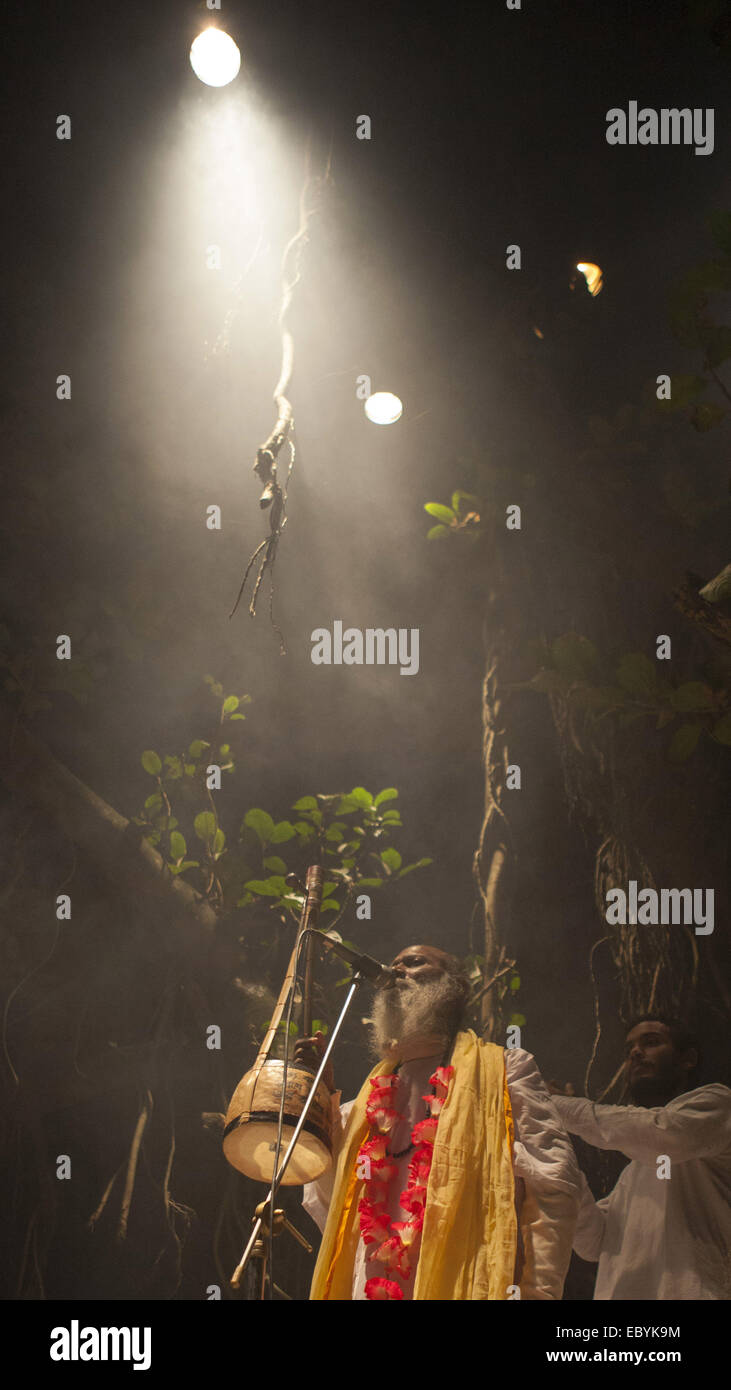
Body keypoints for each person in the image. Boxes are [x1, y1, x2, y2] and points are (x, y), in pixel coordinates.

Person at [295, 944, 580, 1301]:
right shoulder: (366, 1101)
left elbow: (553, 1185)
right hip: (370, 1285)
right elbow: (330, 1199)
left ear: (453, 988)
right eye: (394, 963)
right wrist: (323, 1095)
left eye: (414, 963)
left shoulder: (507, 1071)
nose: (396, 971)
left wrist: (539, 1293)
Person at [549, 1015, 731, 1300]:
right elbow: (592, 1243)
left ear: (688, 1059)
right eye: (629, 1049)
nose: (635, 1052)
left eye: (652, 1042)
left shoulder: (718, 1106)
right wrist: (557, 1143)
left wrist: (556, 1106)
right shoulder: (633, 1174)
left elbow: (667, 1134)